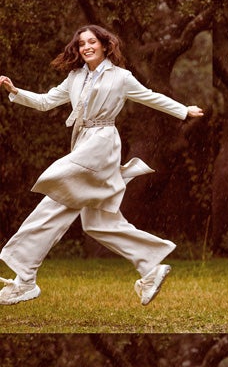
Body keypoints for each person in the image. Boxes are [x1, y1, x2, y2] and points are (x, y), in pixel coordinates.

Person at [0, 23, 203, 306]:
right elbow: (46, 102)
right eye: (81, 43)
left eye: (92, 41)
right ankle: (151, 267)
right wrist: (15, 91)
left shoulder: (121, 77)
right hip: (83, 142)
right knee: (98, 222)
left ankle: (25, 281)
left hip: (101, 145)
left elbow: (151, 97)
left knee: (53, 200)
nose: (86, 46)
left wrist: (183, 110)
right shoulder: (74, 78)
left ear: (105, 45)